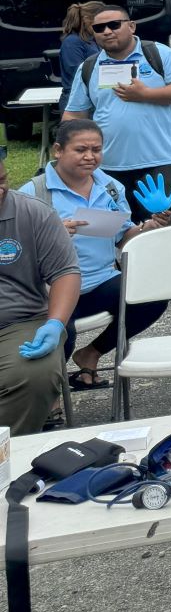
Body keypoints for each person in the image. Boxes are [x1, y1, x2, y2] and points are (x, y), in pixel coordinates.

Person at [19, 119, 170, 393]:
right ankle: (50, 394)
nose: (90, 157)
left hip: (101, 280)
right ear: (58, 150)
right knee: (62, 332)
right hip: (53, 288)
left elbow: (122, 238)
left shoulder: (110, 187)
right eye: (81, 150)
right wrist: (53, 234)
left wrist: (149, 226)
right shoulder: (34, 193)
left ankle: (92, 353)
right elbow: (15, 248)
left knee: (153, 297)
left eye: (96, 149)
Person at [61, 4, 171, 225]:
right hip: (107, 167)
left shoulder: (157, 53)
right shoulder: (89, 67)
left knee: (160, 229)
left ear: (131, 26)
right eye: (99, 28)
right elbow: (74, 114)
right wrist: (65, 148)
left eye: (114, 25)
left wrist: (145, 94)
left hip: (158, 162)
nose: (107, 31)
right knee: (115, 231)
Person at [0, 144, 81, 434]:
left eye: (2, 181)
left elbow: (65, 272)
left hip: (17, 321)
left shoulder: (33, 213)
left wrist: (56, 323)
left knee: (36, 373)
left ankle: (8, 454)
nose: (0, 191)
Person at [55, 1, 105, 110]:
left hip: (92, 98)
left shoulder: (92, 40)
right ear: (87, 19)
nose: (105, 26)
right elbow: (77, 73)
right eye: (101, 22)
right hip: (76, 102)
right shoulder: (72, 42)